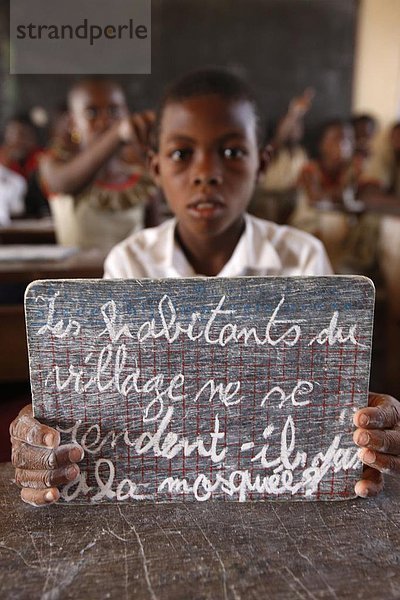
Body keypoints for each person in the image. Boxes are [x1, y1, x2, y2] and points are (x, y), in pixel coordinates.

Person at [10, 68, 400, 506]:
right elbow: (102, 394)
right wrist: (51, 426)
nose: (207, 173)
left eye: (232, 151)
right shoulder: (128, 263)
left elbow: (328, 396)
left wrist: (366, 425)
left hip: (276, 504)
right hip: (155, 504)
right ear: (155, 169)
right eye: (181, 154)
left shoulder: (303, 259)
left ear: (263, 164)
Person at [39, 78, 160, 251]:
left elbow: (155, 241)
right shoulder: (54, 163)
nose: (105, 121)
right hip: (73, 277)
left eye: (113, 110)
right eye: (92, 113)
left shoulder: (141, 173)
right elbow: (63, 184)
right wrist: (116, 133)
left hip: (132, 277)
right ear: (73, 122)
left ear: (126, 113)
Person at [248, 88, 313, 225]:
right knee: (269, 206)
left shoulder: (301, 153)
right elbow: (280, 138)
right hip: (268, 195)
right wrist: (294, 113)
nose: (294, 128)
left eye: (297, 125)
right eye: (290, 125)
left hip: (291, 196)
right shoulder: (273, 150)